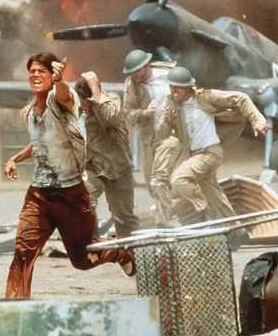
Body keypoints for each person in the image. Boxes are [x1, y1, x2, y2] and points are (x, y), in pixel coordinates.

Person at [4, 52, 135, 298]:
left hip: (71, 195)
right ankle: (14, 308)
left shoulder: (62, 100)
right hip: (39, 195)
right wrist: (15, 158)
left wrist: (60, 81)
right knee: (23, 251)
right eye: (32, 71)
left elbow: (64, 94)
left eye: (41, 71)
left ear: (51, 75)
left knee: (83, 259)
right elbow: (40, 143)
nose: (35, 75)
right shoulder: (30, 111)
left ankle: (119, 252)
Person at [154, 67, 267, 222]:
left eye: (178, 87)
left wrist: (257, 121)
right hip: (194, 155)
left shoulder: (205, 97)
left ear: (188, 87)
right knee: (215, 197)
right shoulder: (171, 105)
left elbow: (240, 98)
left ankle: (203, 210)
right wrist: (166, 121)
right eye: (171, 86)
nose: (174, 91)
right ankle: (234, 227)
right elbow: (161, 135)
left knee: (179, 179)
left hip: (210, 152)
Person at [75, 71, 140, 238]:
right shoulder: (81, 108)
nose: (84, 108)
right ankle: (92, 242)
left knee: (123, 217)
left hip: (117, 167)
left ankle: (131, 249)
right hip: (94, 166)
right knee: (83, 201)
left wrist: (96, 96)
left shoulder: (111, 101)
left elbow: (109, 118)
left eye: (85, 104)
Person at [121, 49, 179, 224]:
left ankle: (167, 220)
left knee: (166, 178)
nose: (134, 76)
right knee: (151, 180)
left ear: (146, 66)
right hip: (150, 138)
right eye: (131, 73)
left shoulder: (169, 74)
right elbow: (127, 113)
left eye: (137, 71)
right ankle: (167, 214)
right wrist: (145, 113)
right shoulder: (131, 85)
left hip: (174, 135)